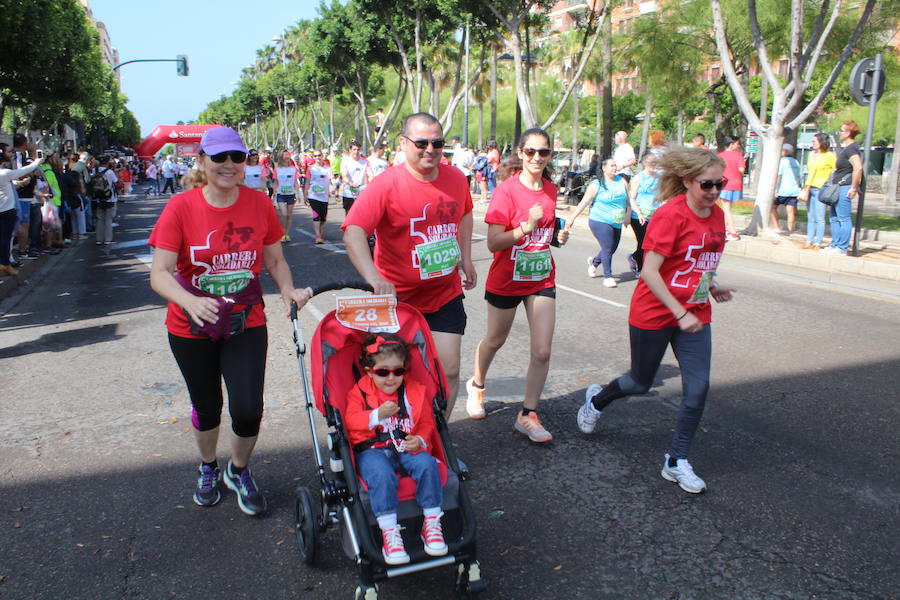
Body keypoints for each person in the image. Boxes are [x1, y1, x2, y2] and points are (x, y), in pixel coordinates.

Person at [148, 126, 313, 516]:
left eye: (236, 157)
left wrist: (288, 289)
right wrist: (190, 302)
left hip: (246, 321)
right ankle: (207, 466)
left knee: (247, 407)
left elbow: (273, 259)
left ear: (245, 163)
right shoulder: (181, 207)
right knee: (207, 406)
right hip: (191, 327)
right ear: (202, 161)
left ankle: (238, 470)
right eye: (219, 157)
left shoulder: (258, 204)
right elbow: (160, 273)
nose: (228, 165)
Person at [576, 146, 735, 494]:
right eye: (706, 185)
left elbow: (702, 262)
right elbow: (649, 271)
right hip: (656, 311)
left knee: (698, 389)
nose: (713, 192)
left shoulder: (717, 216)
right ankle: (596, 401)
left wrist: (713, 287)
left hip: (694, 312)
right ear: (688, 181)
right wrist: (678, 312)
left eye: (719, 184)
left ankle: (676, 461)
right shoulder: (670, 216)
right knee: (639, 382)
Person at [342, 112, 476, 417]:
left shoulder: (455, 178)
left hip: (444, 293)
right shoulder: (386, 184)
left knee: (449, 371)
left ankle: (437, 438)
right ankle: (392, 436)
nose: (430, 149)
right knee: (395, 376)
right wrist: (374, 278)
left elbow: (466, 213)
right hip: (398, 299)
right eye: (421, 142)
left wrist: (466, 259)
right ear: (404, 144)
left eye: (437, 143)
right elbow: (353, 232)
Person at [465, 128, 568, 443]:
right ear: (521, 153)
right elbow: (495, 243)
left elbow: (546, 235)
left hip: (540, 278)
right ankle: (477, 385)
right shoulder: (506, 192)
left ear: (549, 156)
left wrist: (557, 238)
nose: (537, 158)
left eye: (544, 152)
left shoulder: (550, 191)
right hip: (507, 279)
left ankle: (528, 414)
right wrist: (526, 226)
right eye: (531, 152)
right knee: (495, 340)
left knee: (542, 350)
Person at [344, 332, 447, 565]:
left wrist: (420, 440)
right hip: (373, 449)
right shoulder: (359, 392)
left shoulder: (414, 392)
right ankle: (390, 532)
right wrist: (375, 415)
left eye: (397, 371)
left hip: (405, 444)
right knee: (381, 474)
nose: (391, 378)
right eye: (383, 372)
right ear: (370, 371)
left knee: (428, 464)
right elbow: (350, 423)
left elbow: (425, 423)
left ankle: (431, 522)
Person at [566, 157, 630, 288]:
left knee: (612, 248)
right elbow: (584, 202)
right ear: (604, 168)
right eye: (612, 165)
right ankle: (608, 276)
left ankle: (594, 263)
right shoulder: (597, 184)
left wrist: (629, 215)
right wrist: (572, 218)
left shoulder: (621, 181)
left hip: (616, 220)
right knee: (607, 246)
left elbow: (628, 200)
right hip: (599, 219)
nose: (615, 168)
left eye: (615, 165)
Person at [821, 120, 863, 256]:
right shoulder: (847, 148)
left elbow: (858, 168)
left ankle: (842, 247)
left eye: (842, 130)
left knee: (843, 218)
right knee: (834, 217)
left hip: (845, 187)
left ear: (848, 133)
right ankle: (835, 244)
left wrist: (854, 187)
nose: (840, 132)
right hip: (838, 187)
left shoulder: (852, 149)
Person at [0, 147, 44, 276]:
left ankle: (5, 262)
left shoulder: (5, 175)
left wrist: (18, 184)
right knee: (6, 237)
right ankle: (5, 263)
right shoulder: (4, 173)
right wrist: (36, 162)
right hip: (7, 210)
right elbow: (22, 171)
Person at [627, 152, 662, 277]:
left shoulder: (659, 178)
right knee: (644, 242)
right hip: (639, 216)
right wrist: (639, 213)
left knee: (653, 243)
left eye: (655, 163)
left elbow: (662, 196)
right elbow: (632, 198)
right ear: (644, 163)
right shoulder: (638, 178)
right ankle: (640, 268)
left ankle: (634, 257)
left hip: (655, 215)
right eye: (651, 163)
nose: (653, 165)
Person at [801, 133, 836, 250]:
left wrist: (830, 184)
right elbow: (810, 171)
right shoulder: (811, 154)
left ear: (822, 142)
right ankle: (809, 240)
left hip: (821, 188)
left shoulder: (829, 156)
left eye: (815, 141)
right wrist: (806, 186)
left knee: (820, 217)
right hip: (810, 187)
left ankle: (818, 242)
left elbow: (835, 170)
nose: (813, 143)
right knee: (810, 216)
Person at [716, 135, 744, 241]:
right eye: (737, 143)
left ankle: (733, 232)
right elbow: (741, 169)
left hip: (724, 184)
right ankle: (723, 230)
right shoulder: (739, 155)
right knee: (727, 208)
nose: (738, 145)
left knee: (726, 209)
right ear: (731, 144)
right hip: (736, 184)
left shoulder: (720, 156)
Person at [771, 144, 802, 234]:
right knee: (791, 212)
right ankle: (790, 230)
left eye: (782, 150)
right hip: (794, 191)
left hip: (782, 190)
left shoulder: (782, 161)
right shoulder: (796, 162)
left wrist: (775, 189)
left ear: (786, 151)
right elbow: (799, 176)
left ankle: (777, 227)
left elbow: (778, 176)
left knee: (772, 208)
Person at [304, 150, 333, 244]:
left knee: (323, 217)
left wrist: (332, 189)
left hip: (324, 196)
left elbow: (331, 180)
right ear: (313, 157)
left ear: (322, 156)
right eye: (315, 156)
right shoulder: (310, 168)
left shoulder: (327, 168)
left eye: (319, 155)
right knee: (316, 215)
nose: (317, 157)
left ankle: (319, 229)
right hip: (313, 195)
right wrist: (305, 194)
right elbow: (307, 181)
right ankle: (317, 236)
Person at [273, 149, 299, 242]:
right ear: (281, 158)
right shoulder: (277, 169)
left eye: (288, 155)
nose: (286, 157)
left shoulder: (293, 169)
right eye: (284, 156)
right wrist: (273, 194)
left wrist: (298, 194)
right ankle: (282, 231)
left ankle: (286, 234)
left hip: (291, 194)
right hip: (281, 194)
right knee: (283, 214)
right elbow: (275, 182)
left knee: (289, 215)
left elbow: (296, 182)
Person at [92, 156, 119, 246]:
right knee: (108, 219)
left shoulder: (95, 171)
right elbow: (116, 181)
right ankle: (108, 239)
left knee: (99, 219)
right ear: (107, 163)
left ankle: (98, 239)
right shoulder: (110, 172)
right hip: (109, 198)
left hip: (99, 198)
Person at [340, 141, 368, 214]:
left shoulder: (365, 162)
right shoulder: (345, 161)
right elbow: (344, 175)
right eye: (354, 149)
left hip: (361, 191)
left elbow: (369, 175)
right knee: (349, 214)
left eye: (358, 149)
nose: (356, 152)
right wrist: (350, 183)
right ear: (350, 150)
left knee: (361, 214)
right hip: (348, 191)